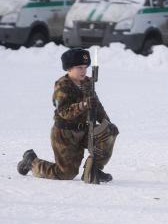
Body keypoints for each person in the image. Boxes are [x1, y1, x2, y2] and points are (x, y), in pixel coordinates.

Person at [17, 48, 119, 182]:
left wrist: (106, 123)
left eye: (85, 67)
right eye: (79, 67)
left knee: (110, 130)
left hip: (84, 130)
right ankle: (32, 161)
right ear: (69, 69)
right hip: (65, 134)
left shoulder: (88, 83)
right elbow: (64, 112)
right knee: (65, 174)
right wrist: (83, 105)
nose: (83, 71)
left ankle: (94, 169)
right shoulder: (62, 86)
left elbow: (97, 107)